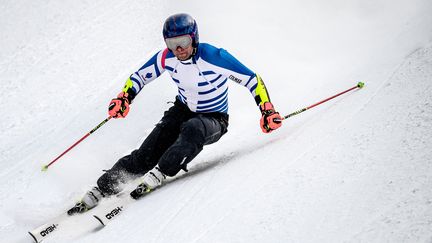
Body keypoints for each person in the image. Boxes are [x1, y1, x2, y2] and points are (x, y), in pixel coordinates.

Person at [69, 13, 282, 214]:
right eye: (172, 44)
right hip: (181, 110)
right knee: (144, 156)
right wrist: (125, 97)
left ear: (194, 39)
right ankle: (102, 189)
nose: (178, 49)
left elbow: (253, 80)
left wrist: (267, 110)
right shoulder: (166, 58)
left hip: (214, 117)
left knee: (193, 129)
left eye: (183, 42)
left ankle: (161, 171)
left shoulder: (215, 57)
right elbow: (140, 77)